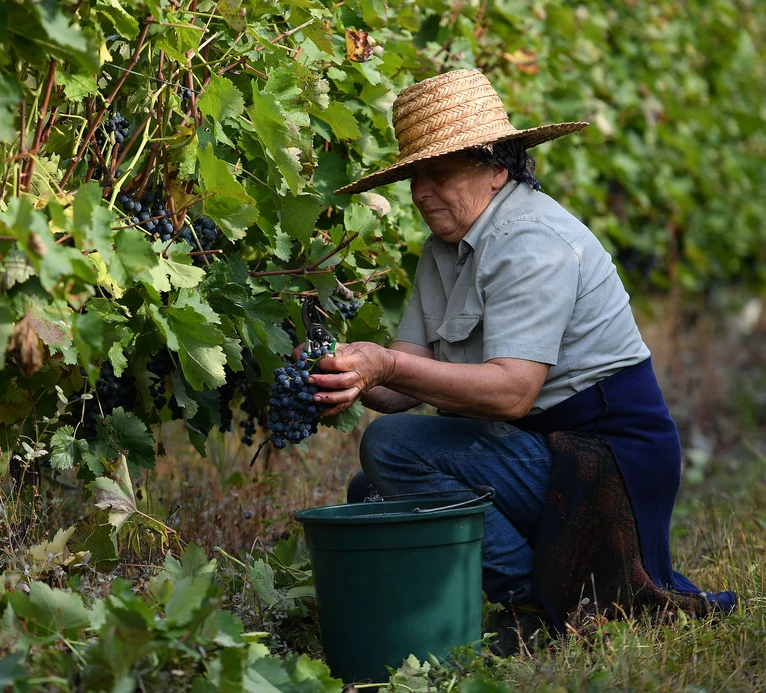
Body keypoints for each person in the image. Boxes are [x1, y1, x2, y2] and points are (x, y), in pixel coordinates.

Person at [309, 69, 736, 632]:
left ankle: (533, 605)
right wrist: (346, 374)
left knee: (392, 450)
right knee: (374, 492)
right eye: (414, 177)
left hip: (604, 462)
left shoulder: (531, 241)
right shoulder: (445, 249)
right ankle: (437, 615)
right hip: (539, 450)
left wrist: (387, 363)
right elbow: (396, 389)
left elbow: (512, 392)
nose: (418, 192)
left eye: (437, 173)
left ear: (496, 169)